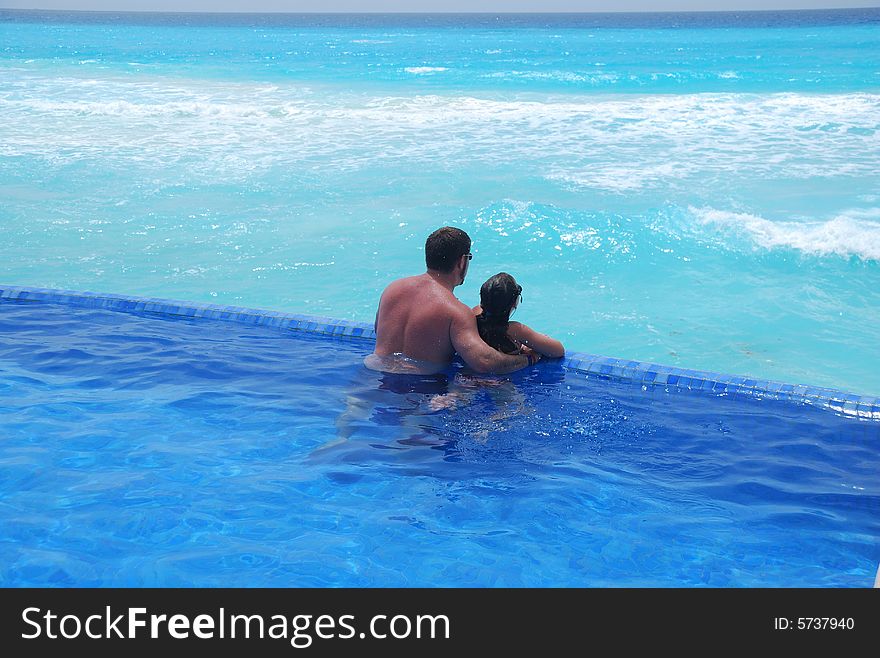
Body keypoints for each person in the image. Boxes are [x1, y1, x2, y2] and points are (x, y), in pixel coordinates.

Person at [365, 227, 537, 375]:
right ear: (462, 261)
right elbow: (485, 362)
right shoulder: (455, 311)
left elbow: (378, 330)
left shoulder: (392, 289)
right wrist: (528, 359)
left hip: (373, 372)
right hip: (418, 387)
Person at [473, 272, 565, 360]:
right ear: (514, 303)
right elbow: (558, 350)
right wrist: (531, 346)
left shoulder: (474, 314)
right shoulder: (515, 330)